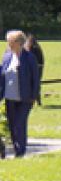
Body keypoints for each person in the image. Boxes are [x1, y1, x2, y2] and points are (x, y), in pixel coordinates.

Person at [0, 30, 39, 158]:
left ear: (18, 43)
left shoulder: (29, 58)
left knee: (20, 124)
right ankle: (17, 149)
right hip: (10, 97)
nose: (8, 43)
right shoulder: (6, 56)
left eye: (10, 41)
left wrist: (34, 95)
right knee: (12, 125)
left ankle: (20, 151)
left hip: (25, 97)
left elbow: (35, 78)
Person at [24, 33, 44, 105]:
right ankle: (36, 100)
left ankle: (34, 101)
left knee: (33, 84)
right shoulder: (37, 48)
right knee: (35, 84)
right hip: (37, 68)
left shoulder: (32, 49)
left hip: (35, 68)